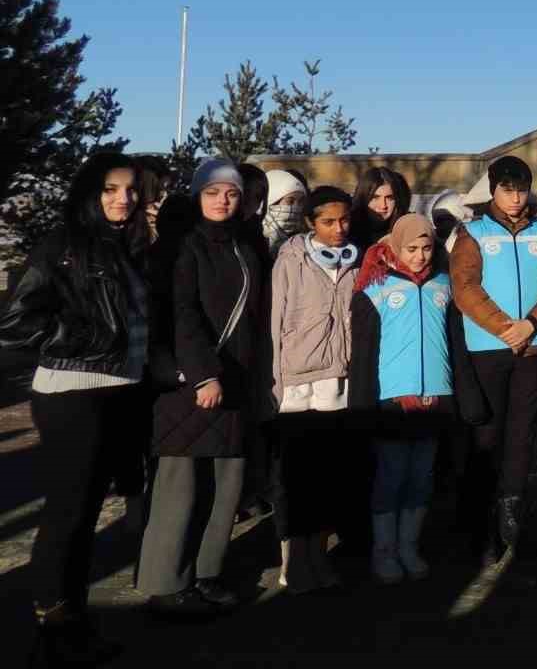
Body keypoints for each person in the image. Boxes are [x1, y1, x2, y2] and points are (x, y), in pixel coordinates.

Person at [1, 153, 149, 664]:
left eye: (131, 189)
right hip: (71, 393)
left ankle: (74, 621)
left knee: (85, 515)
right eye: (110, 189)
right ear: (90, 192)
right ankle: (52, 625)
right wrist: (87, 336)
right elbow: (18, 322)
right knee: (67, 513)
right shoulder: (63, 247)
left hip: (115, 392)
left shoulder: (124, 247)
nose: (122, 199)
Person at [139, 157, 265, 614]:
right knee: (180, 489)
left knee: (225, 487)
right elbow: (181, 314)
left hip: (235, 383)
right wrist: (202, 373)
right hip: (190, 386)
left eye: (231, 193)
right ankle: (166, 582)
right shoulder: (181, 246)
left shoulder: (243, 245)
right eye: (213, 192)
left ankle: (207, 573)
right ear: (197, 195)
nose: (223, 200)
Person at [449, 154, 537, 566]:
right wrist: (506, 327)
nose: (515, 198)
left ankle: (511, 519)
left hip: (534, 348)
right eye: (507, 190)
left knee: (522, 437)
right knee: (488, 438)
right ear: (493, 189)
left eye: (521, 190)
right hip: (490, 349)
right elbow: (464, 288)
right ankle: (481, 526)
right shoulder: (474, 232)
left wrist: (532, 324)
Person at [351, 213, 476, 584]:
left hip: (435, 398)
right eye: (411, 249)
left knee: (421, 476)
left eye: (426, 248)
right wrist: (362, 409)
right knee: (391, 476)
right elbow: (363, 356)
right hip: (393, 401)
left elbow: (456, 344)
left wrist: (459, 396)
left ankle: (409, 546)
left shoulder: (443, 286)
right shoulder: (374, 288)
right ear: (394, 246)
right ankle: (384, 551)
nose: (420, 256)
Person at [266, 184, 360, 592]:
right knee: (295, 477)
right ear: (310, 223)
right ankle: (294, 562)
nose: (338, 229)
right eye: (328, 222)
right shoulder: (290, 259)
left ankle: (319, 557)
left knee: (329, 476)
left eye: (343, 220)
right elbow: (274, 322)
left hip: (338, 380)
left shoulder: (356, 261)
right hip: (296, 382)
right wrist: (274, 382)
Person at [351, 166, 413, 255]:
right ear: (363, 197)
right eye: (375, 197)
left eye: (389, 198)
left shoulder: (408, 228)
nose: (383, 205)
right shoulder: (346, 230)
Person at [262, 170, 307, 259]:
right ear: (271, 201)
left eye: (301, 201)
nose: (296, 207)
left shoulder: (304, 240)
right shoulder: (251, 240)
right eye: (290, 201)